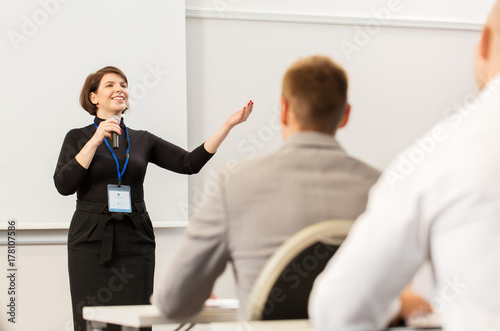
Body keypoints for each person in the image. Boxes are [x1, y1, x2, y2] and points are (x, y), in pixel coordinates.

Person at [309, 0, 500, 330]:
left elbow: (337, 310)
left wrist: (398, 307)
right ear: (345, 113)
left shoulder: (440, 152)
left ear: (483, 44)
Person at [152, 55, 381, 319]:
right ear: (345, 115)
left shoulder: (234, 184)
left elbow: (172, 303)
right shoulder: (381, 188)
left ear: (283, 109)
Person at [53, 66, 253, 331]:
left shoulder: (141, 139)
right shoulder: (77, 137)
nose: (119, 89)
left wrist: (228, 125)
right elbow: (64, 185)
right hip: (90, 238)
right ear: (93, 98)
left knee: (138, 321)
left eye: (123, 84)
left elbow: (189, 163)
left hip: (135, 236)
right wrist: (94, 140)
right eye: (110, 85)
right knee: (91, 320)